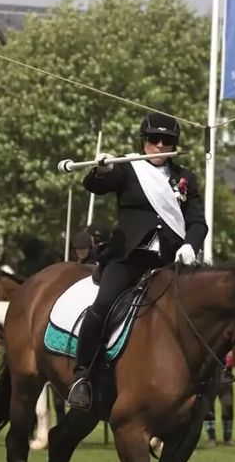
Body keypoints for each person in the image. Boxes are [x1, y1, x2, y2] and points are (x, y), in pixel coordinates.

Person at [67, 113, 207, 411]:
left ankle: (197, 384)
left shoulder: (185, 178)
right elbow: (95, 186)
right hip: (128, 258)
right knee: (102, 306)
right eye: (152, 140)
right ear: (143, 142)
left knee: (199, 314)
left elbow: (197, 222)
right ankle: (83, 377)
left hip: (170, 262)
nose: (158, 146)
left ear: (174, 144)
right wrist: (102, 169)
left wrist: (190, 246)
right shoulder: (127, 169)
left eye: (165, 141)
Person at [205, 351, 235, 446]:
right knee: (209, 408)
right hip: (210, 376)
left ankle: (227, 438)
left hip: (226, 376)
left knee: (228, 404)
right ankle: (211, 438)